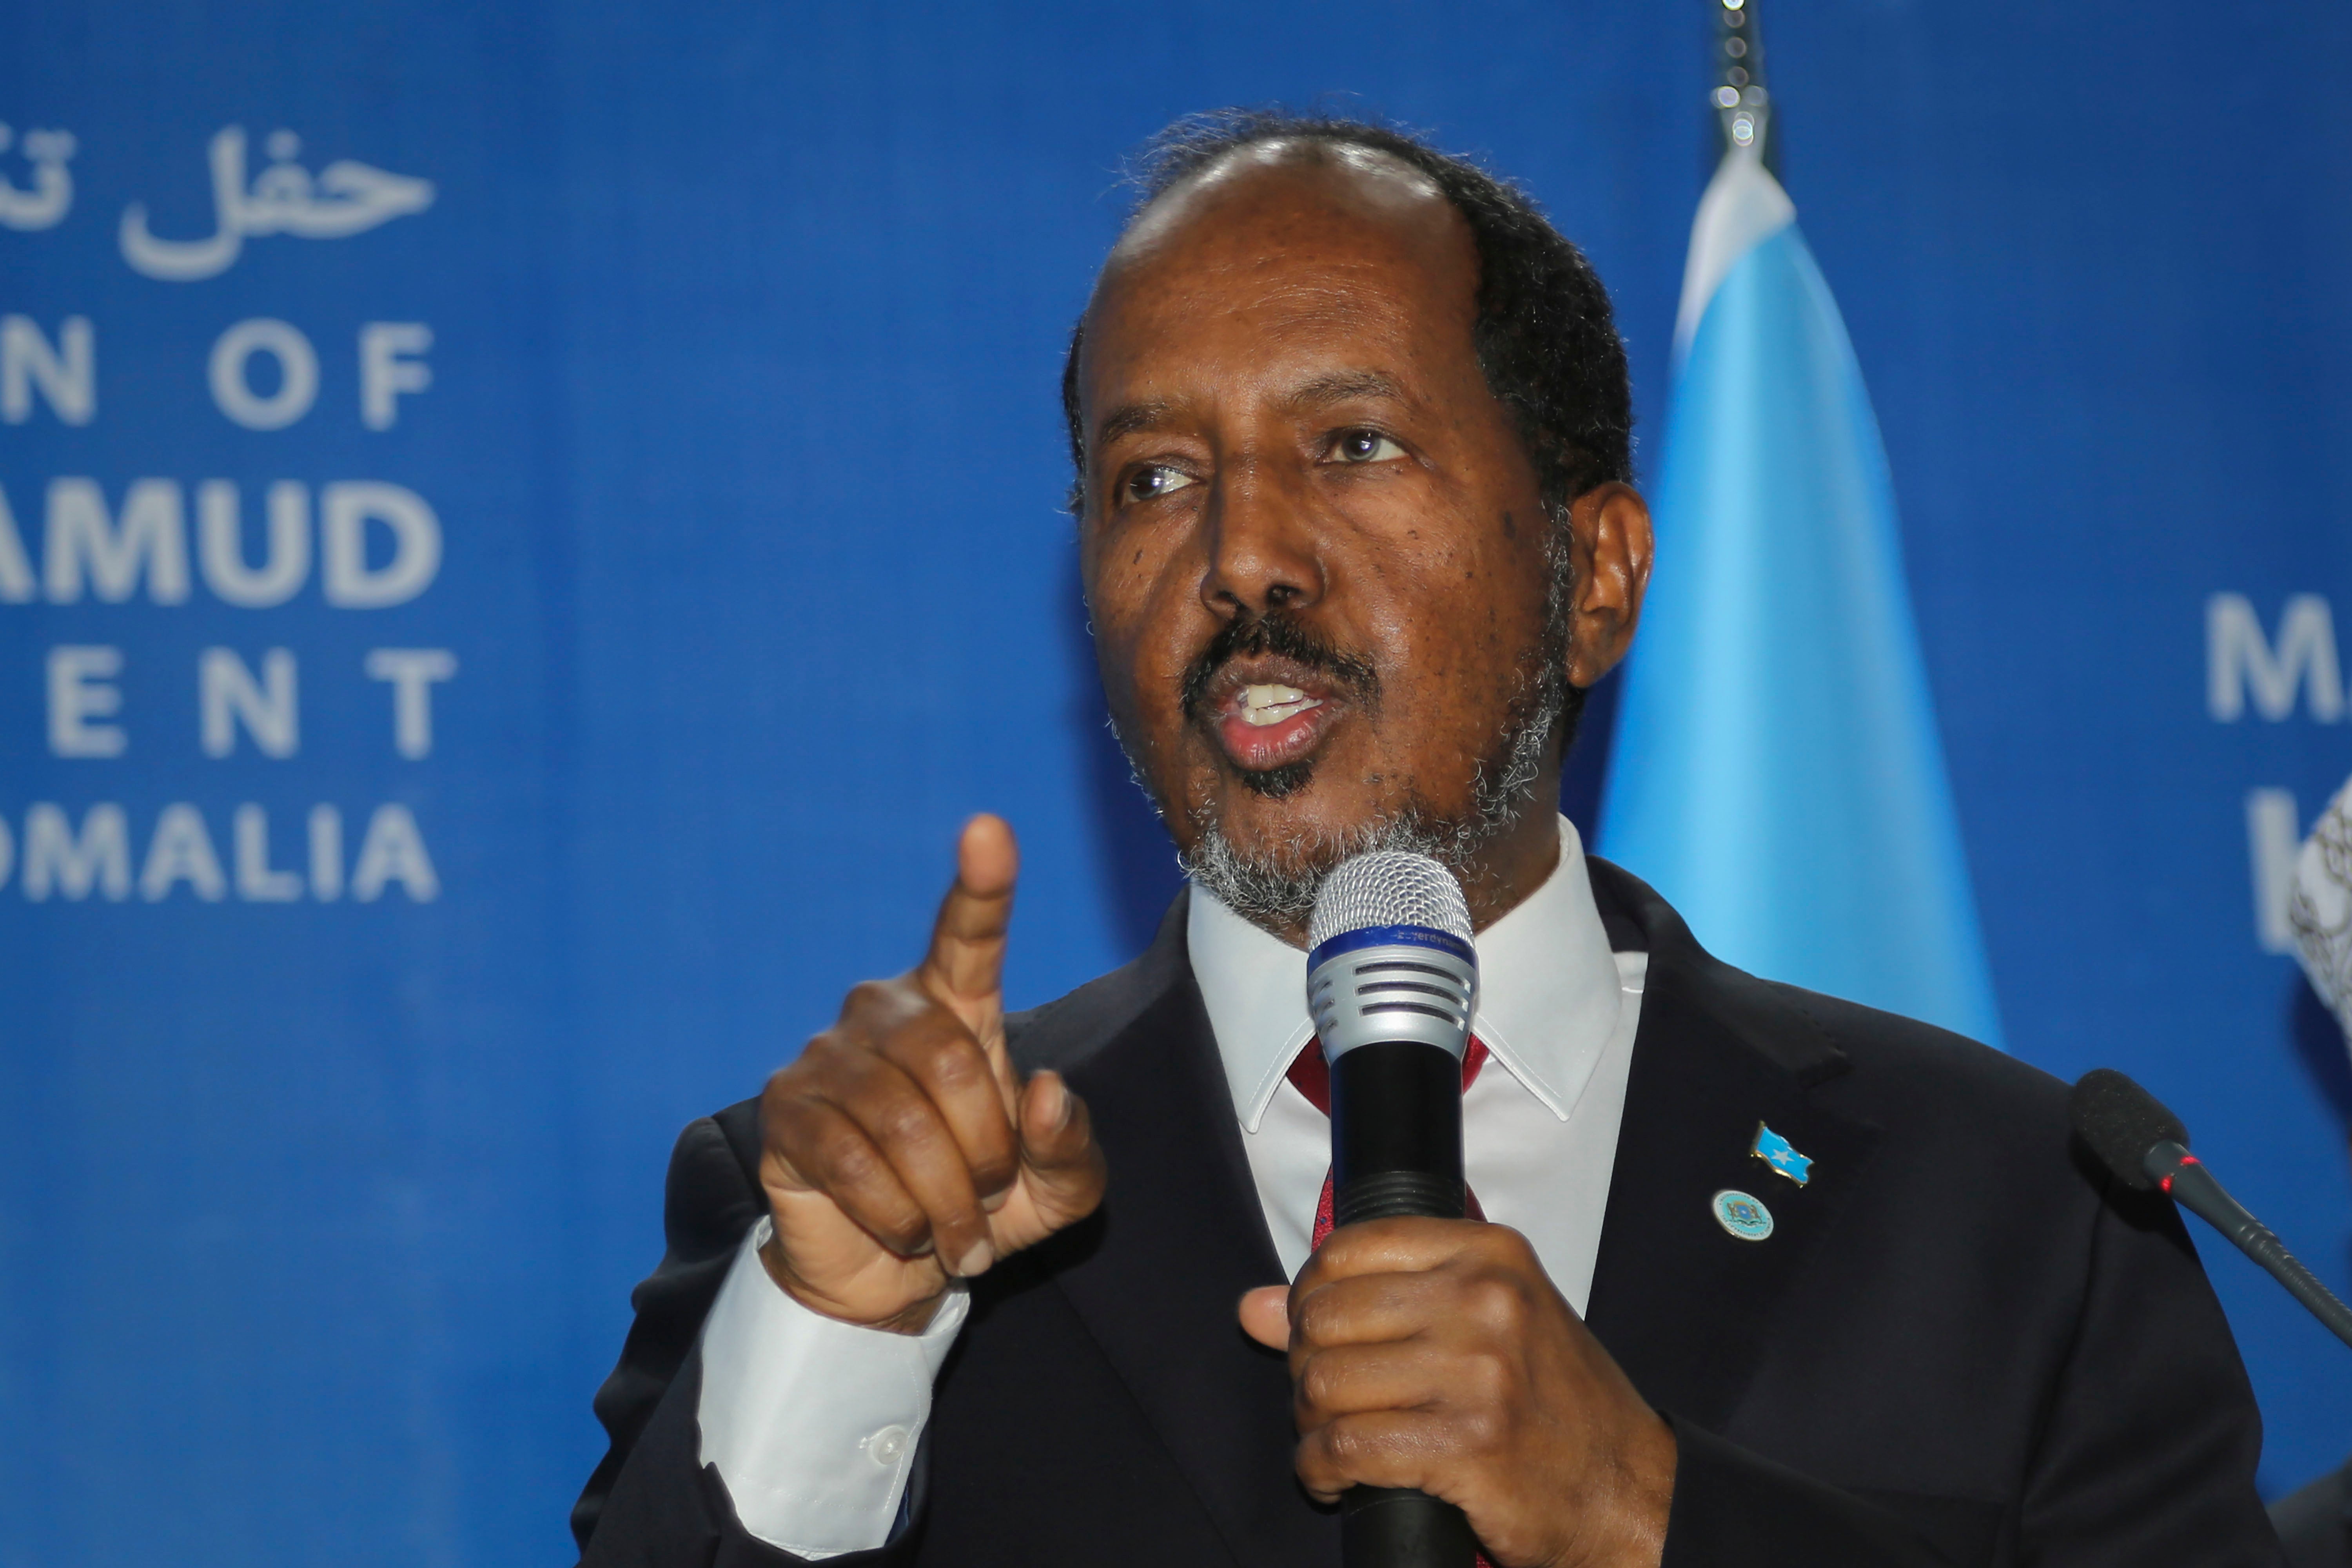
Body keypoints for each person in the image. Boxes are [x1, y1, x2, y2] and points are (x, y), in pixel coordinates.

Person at [572, 111, 2282, 1567]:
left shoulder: (2016, 1214)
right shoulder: (852, 1219)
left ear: (1593, 577)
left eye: (1354, 443)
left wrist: (1647, 1511)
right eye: (1153, 478)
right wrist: (841, 1332)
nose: (1244, 558)